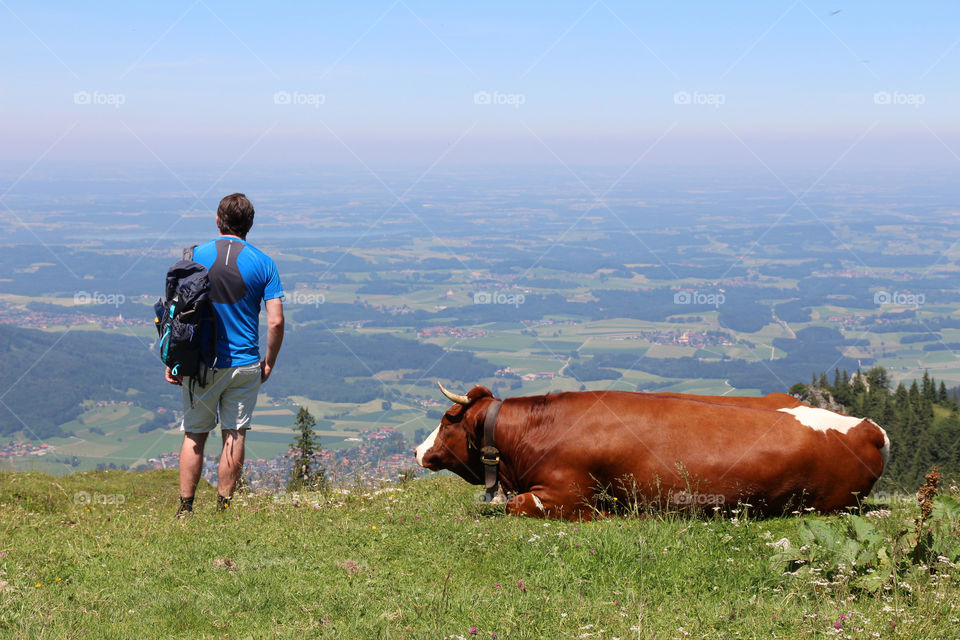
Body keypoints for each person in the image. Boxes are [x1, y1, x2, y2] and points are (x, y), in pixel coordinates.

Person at [166, 193, 285, 517]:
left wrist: (174, 360)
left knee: (195, 435)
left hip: (201, 363)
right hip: (245, 363)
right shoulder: (265, 263)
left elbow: (177, 314)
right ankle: (223, 509)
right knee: (235, 434)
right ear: (250, 224)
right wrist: (269, 361)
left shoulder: (194, 256)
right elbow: (275, 321)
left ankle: (186, 509)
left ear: (218, 221)